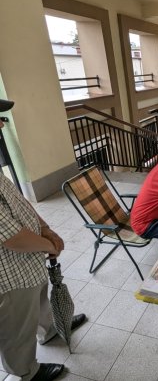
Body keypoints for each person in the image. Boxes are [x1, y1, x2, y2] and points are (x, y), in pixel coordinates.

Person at [0, 100, 87, 381]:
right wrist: (49, 245)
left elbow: (17, 201)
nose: (2, 124)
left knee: (38, 301)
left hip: (26, 262)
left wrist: (46, 228)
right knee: (16, 327)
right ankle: (26, 372)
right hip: (7, 276)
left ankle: (50, 330)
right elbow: (11, 237)